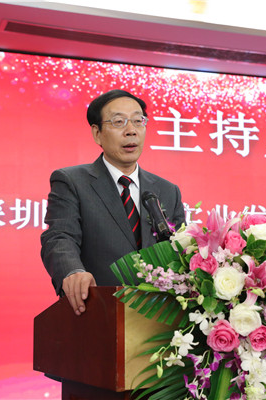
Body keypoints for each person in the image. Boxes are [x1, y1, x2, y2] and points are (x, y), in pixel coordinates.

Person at [40, 89, 186, 315]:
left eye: (138, 121)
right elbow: (60, 237)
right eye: (119, 122)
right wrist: (73, 272)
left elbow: (181, 252)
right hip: (97, 313)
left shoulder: (167, 191)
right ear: (97, 133)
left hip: (159, 320)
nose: (131, 131)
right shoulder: (72, 181)